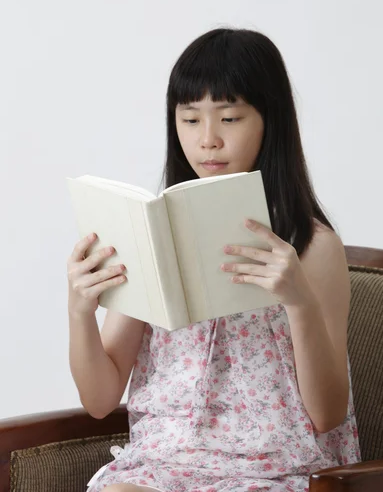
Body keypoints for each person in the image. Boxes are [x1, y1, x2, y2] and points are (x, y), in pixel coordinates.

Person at [67, 28, 361, 492]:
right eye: (189, 120)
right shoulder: (153, 235)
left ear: (269, 120)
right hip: (162, 465)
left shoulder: (311, 246)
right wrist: (80, 312)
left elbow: (326, 416)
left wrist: (299, 303)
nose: (208, 140)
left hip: (275, 468)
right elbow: (100, 399)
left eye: (229, 118)